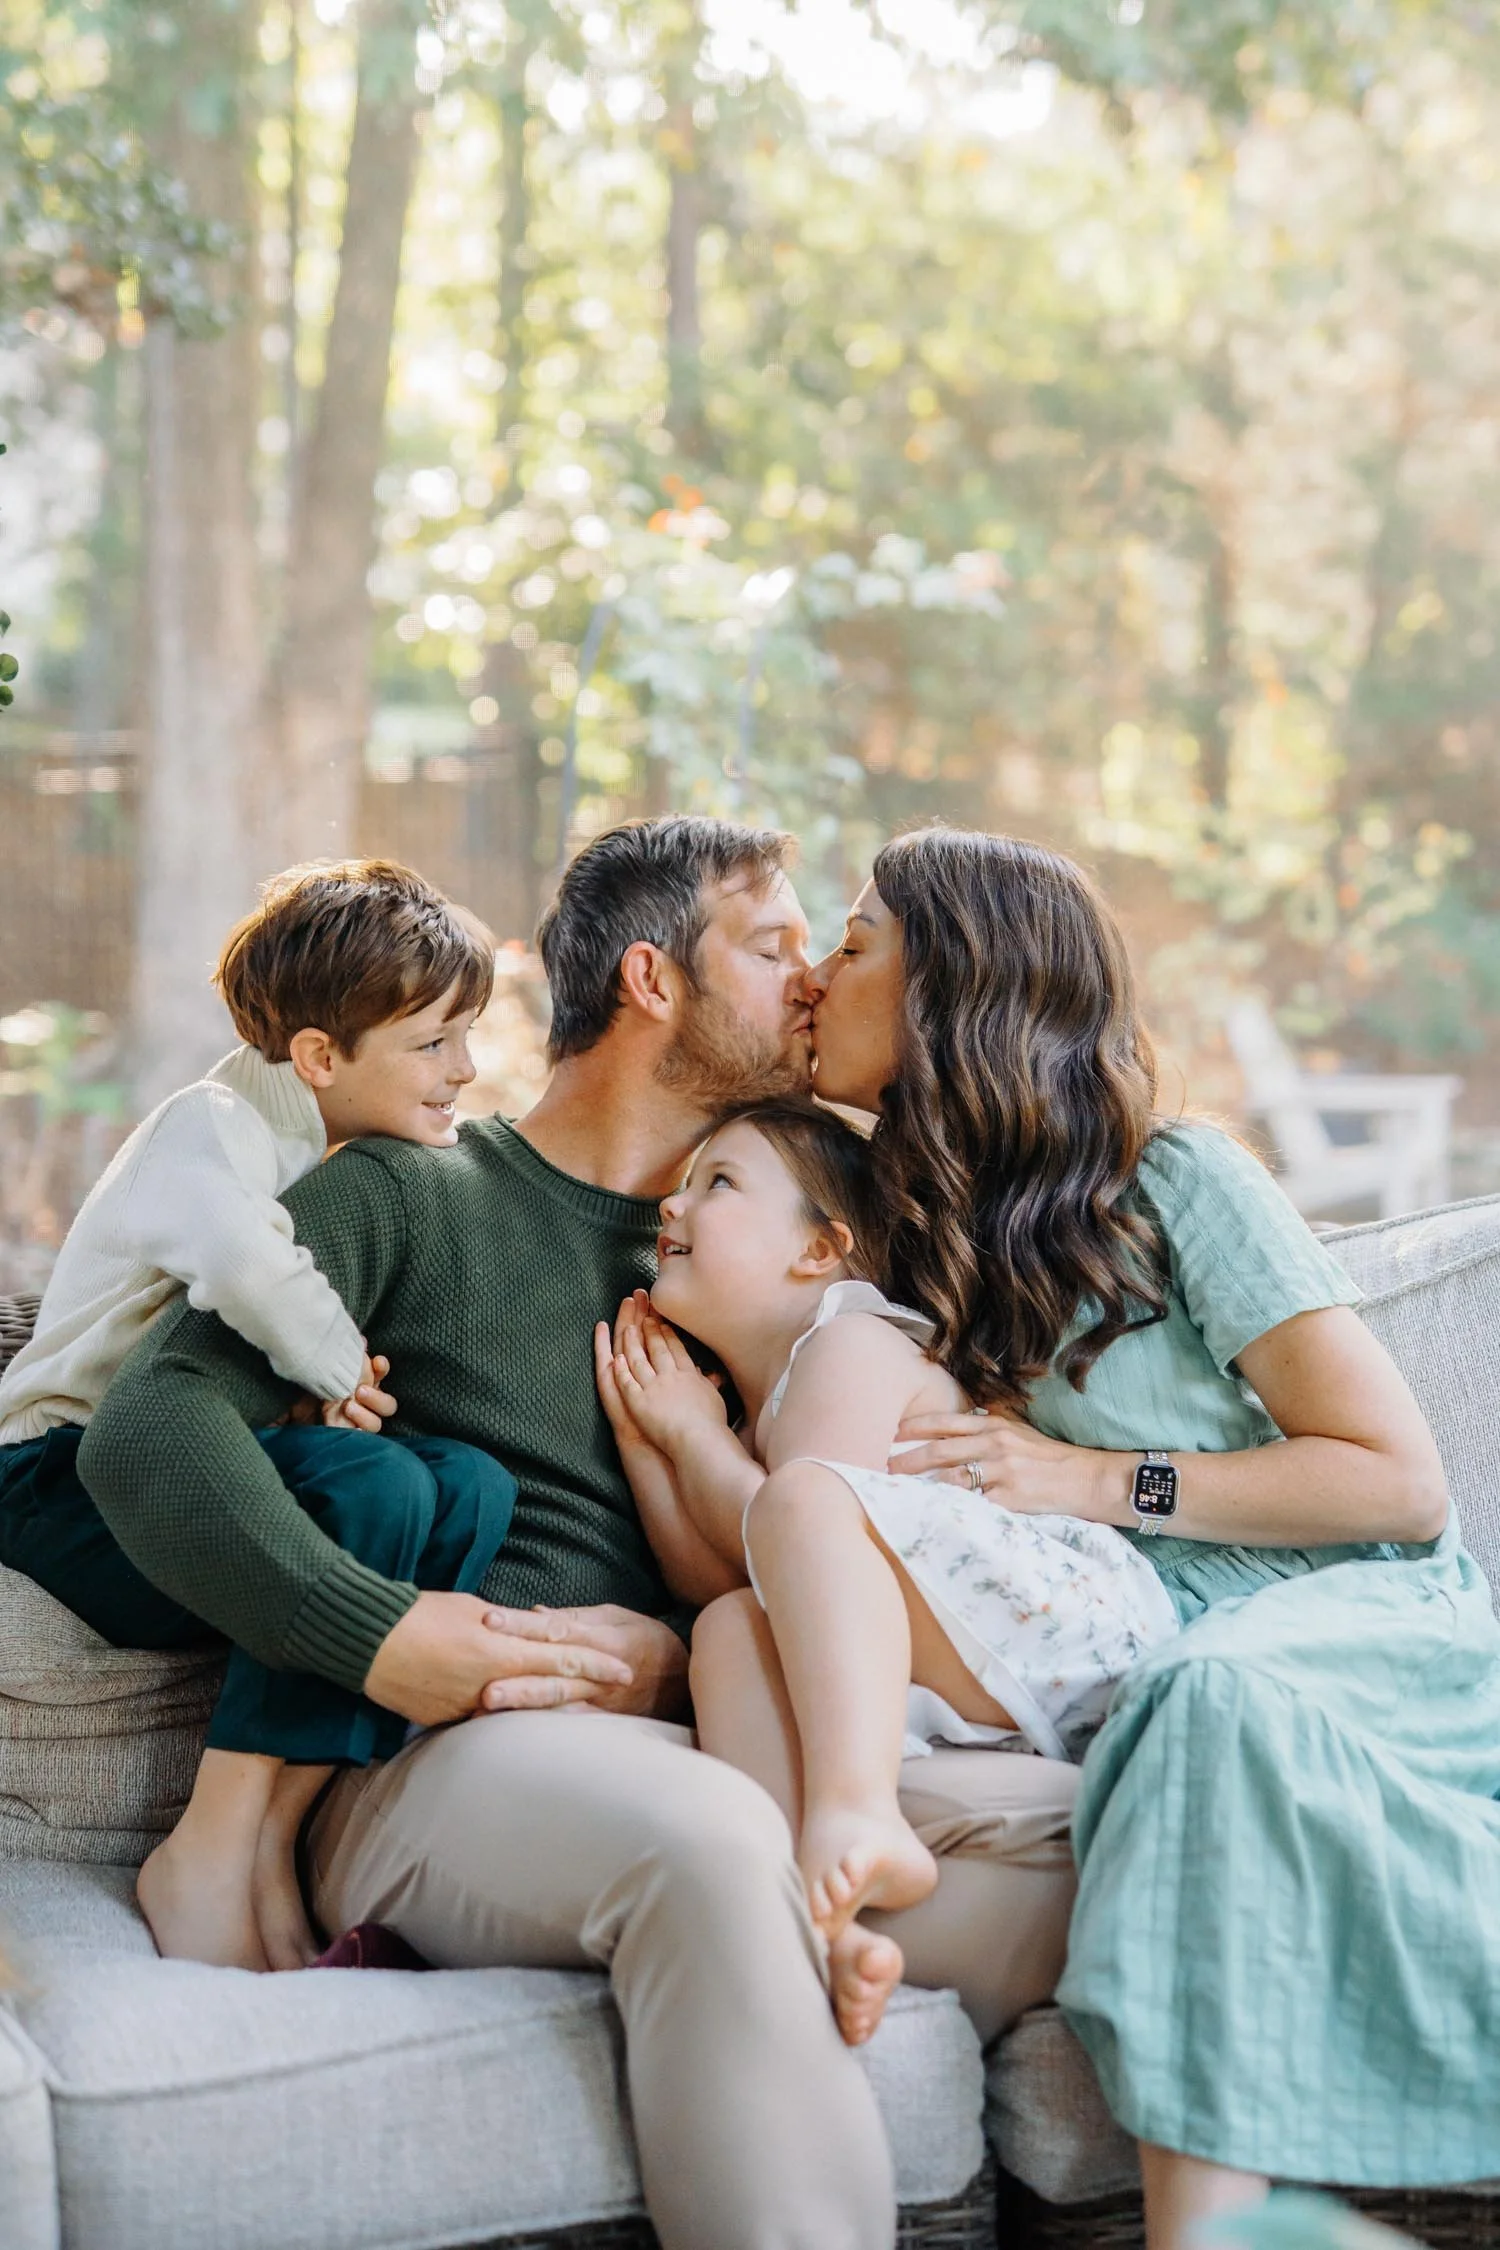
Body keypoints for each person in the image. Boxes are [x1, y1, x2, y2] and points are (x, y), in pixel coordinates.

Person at [74, 815, 1081, 2250]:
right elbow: (152, 1431)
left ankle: (782, 1972)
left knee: (1105, 1839)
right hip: (441, 1755)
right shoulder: (411, 1190)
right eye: (773, 943)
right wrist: (379, 1632)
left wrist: (667, 1658)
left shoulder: (788, 1243)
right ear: (655, 978)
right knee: (714, 1843)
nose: (813, 980)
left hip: (719, 1721)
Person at [798, 823, 1500, 2250]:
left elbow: (1397, 1485)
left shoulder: (1174, 1177)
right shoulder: (920, 1245)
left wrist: (1096, 1478)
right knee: (1177, 1705)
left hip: (1362, 1632)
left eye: (854, 941)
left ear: (953, 988)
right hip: (1162, 1662)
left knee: (1205, 1701)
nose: (816, 972)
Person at [0, 859, 518, 1972]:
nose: (465, 1068)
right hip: (58, 1473)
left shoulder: (333, 1154)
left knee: (470, 1484)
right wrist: (335, 1371)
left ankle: (280, 1838)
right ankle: (208, 1848)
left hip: (197, 1466)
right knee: (374, 1484)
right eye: (433, 1043)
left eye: (467, 1036)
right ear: (321, 1057)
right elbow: (242, 1260)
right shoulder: (214, 1123)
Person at [595, 1099, 1175, 2044]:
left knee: (803, 1502)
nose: (671, 1206)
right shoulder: (755, 1425)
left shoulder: (849, 1340)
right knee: (728, 1633)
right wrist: (648, 1441)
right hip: (966, 1668)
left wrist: (694, 1439)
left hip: (1057, 1630)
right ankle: (809, 1918)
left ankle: (858, 1813)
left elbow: (788, 1527)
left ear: (821, 1250)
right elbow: (735, 1587)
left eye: (718, 1183)